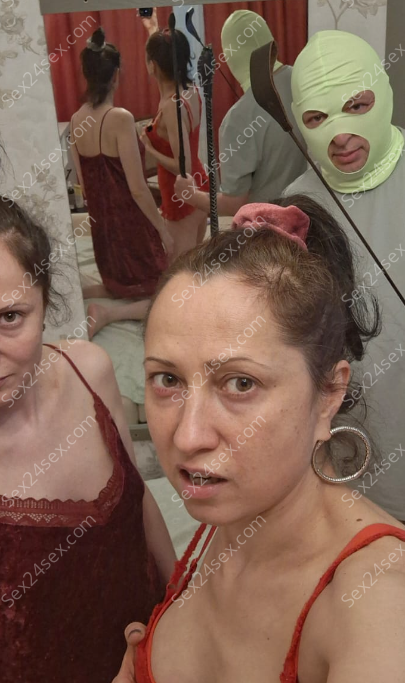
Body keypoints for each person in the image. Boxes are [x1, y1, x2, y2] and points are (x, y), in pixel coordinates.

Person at [113, 196, 405, 683]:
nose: (188, 436)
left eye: (240, 383)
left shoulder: (375, 603)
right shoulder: (226, 520)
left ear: (328, 394)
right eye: (167, 379)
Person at [0, 200, 176, 682]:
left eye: (10, 317)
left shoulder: (89, 369)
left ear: (44, 302)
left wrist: (181, 594)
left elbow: (139, 501)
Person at [284, 30, 405, 522]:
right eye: (317, 118)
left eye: (356, 106)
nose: (340, 134)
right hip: (354, 430)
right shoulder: (296, 209)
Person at [70, 27, 173, 339]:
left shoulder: (75, 120)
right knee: (168, 294)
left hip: (103, 231)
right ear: (116, 75)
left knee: (120, 284)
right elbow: (138, 188)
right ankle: (108, 314)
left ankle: (89, 293)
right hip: (130, 230)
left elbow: (83, 182)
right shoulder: (121, 118)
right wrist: (162, 228)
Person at [174, 10, 307, 216]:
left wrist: (191, 195)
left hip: (266, 229)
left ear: (230, 56)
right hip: (310, 214)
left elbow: (233, 204)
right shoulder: (303, 81)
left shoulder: (238, 118)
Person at [141, 11, 208, 259]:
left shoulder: (171, 107)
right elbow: (167, 55)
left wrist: (149, 148)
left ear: (153, 65)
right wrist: (152, 29)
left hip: (181, 197)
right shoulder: (191, 91)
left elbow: (184, 167)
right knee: (194, 263)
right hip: (200, 186)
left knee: (180, 271)